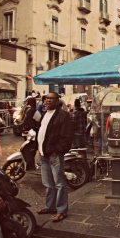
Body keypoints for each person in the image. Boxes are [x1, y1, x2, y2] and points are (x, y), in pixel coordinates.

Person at [36, 92, 73, 222]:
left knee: (59, 184)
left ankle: (62, 210)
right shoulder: (45, 114)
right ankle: (50, 206)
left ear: (58, 100)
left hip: (54, 155)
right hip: (43, 154)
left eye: (52, 98)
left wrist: (56, 151)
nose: (49, 100)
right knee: (48, 184)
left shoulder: (62, 115)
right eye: (47, 98)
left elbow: (67, 137)